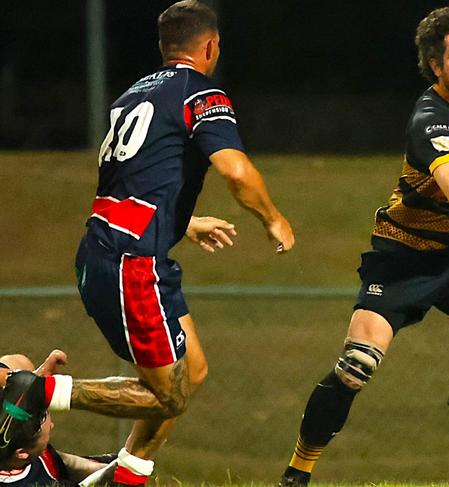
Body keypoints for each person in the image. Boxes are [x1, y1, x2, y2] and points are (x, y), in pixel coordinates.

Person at [4, 1, 295, 485]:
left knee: (192, 371)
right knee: (168, 396)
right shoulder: (202, 93)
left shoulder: (131, 96)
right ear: (210, 46)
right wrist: (273, 218)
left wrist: (185, 222)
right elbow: (235, 170)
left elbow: (131, 188)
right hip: (132, 266)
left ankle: (126, 477)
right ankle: (39, 392)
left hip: (113, 254)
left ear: (164, 47)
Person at [278, 4, 449, 485]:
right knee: (355, 368)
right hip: (403, 253)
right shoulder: (430, 118)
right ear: (435, 65)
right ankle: (296, 475)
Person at [0, 351, 111, 486]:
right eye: (44, 415)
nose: (52, 425)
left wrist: (30, 384)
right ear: (22, 453)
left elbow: (18, 361)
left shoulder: (21, 443)